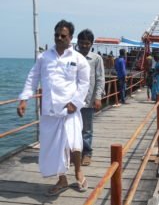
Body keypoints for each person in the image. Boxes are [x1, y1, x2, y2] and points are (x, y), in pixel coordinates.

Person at [17, 20, 90, 195]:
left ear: (70, 37)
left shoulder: (78, 59)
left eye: (63, 35)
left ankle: (78, 172)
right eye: (56, 35)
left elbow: (84, 83)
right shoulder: (44, 57)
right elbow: (33, 78)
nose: (59, 38)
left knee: (74, 143)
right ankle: (62, 179)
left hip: (70, 109)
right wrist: (24, 99)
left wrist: (75, 103)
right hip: (50, 111)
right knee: (54, 147)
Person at [77, 29, 105, 166]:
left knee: (87, 129)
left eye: (87, 43)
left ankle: (87, 153)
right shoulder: (72, 57)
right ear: (78, 42)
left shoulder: (96, 59)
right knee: (72, 128)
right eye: (82, 43)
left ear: (91, 44)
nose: (84, 46)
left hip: (88, 100)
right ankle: (74, 153)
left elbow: (100, 79)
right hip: (72, 101)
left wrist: (98, 97)